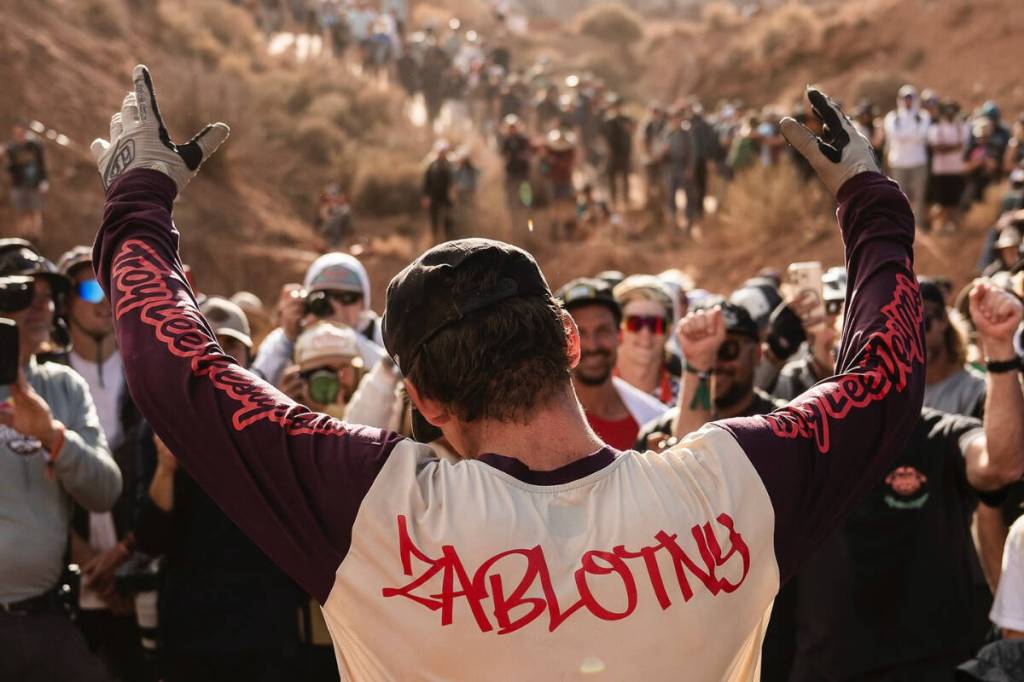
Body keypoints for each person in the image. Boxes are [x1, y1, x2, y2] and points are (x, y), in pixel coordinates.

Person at [91, 68, 924, 679]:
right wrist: (866, 194)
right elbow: (884, 381)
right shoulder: (730, 489)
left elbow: (175, 372)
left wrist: (141, 200)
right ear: (566, 339)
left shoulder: (381, 513)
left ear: (423, 398)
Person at [785, 282, 1024, 682]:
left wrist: (1000, 352)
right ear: (836, 351)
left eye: (893, 343)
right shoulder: (795, 437)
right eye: (861, 340)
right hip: (823, 670)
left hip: (933, 668)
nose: (877, 357)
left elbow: (1000, 464)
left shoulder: (941, 434)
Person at [134, 296, 302, 682]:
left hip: (264, 626)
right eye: (207, 343)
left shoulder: (277, 423)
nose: (219, 357)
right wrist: (165, 469)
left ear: (248, 356)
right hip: (192, 626)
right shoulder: (162, 423)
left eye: (231, 347)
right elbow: (148, 536)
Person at [0, 239, 122, 682]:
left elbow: (105, 490)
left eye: (48, 295)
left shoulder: (63, 387)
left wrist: (54, 437)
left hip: (46, 620)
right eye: (19, 294)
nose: (39, 306)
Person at [55, 246, 144, 681]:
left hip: (141, 571)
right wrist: (85, 556)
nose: (104, 298)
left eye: (112, 284)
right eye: (90, 287)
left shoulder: (147, 374)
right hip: (66, 581)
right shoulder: (42, 380)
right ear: (63, 303)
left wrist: (125, 555)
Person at [635, 302, 784, 452]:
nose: (713, 362)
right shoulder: (658, 432)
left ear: (757, 354)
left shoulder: (783, 427)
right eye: (702, 350)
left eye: (727, 349)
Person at [554, 277, 666, 451]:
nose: (592, 345)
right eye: (579, 332)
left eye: (603, 330)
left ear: (620, 335)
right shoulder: (537, 419)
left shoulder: (654, 417)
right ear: (560, 341)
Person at [251, 252, 385, 388]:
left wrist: (344, 335)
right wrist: (287, 340)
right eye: (323, 297)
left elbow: (397, 376)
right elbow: (255, 386)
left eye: (347, 297)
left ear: (364, 302)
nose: (335, 306)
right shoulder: (286, 338)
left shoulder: (382, 333)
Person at [919, 277, 986, 417]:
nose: (914, 336)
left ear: (943, 320)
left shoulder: (977, 391)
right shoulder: (898, 393)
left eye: (922, 323)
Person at [612, 275, 678, 405]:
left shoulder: (685, 400)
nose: (645, 333)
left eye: (656, 324)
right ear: (617, 328)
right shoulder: (592, 391)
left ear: (669, 331)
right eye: (635, 323)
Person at [884, 84, 931, 229]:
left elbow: (921, 136)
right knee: (899, 197)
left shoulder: (923, 116)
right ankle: (901, 225)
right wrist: (911, 135)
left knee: (919, 196)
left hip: (918, 162)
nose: (907, 101)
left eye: (910, 98)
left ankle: (919, 226)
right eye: (905, 98)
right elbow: (894, 135)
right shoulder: (892, 117)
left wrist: (905, 136)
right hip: (899, 163)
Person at [2, 123, 49, 242]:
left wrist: (44, 180)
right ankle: (24, 235)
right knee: (22, 212)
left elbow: (42, 163)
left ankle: (35, 236)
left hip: (34, 184)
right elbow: (8, 162)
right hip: (18, 185)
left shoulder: (34, 146)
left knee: (35, 211)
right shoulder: (12, 148)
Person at [926, 100, 967, 233]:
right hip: (940, 170)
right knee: (940, 201)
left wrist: (946, 147)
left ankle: (952, 226)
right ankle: (937, 225)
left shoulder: (961, 127)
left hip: (955, 169)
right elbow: (936, 148)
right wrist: (953, 147)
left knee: (953, 201)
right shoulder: (936, 127)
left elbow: (960, 145)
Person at [660, 105, 698, 232]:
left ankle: (689, 221)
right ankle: (672, 222)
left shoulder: (687, 134)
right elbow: (660, 153)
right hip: (670, 168)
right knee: (671, 196)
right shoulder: (667, 134)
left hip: (683, 167)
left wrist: (690, 168)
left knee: (688, 195)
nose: (676, 120)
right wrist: (663, 152)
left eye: (678, 118)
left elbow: (692, 153)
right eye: (674, 118)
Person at [600, 96, 633, 209]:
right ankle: (613, 201)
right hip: (612, 153)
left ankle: (626, 200)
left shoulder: (626, 119)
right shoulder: (608, 121)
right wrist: (607, 151)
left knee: (624, 177)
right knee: (612, 178)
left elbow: (632, 131)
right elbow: (603, 137)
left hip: (624, 153)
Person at [421, 140, 455, 244]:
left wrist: (453, 193)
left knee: (448, 218)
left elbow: (453, 181)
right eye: (440, 151)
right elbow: (426, 181)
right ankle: (434, 239)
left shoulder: (449, 165)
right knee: (434, 219)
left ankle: (448, 240)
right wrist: (425, 196)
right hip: (433, 196)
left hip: (446, 196)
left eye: (444, 151)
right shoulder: (431, 164)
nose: (442, 153)